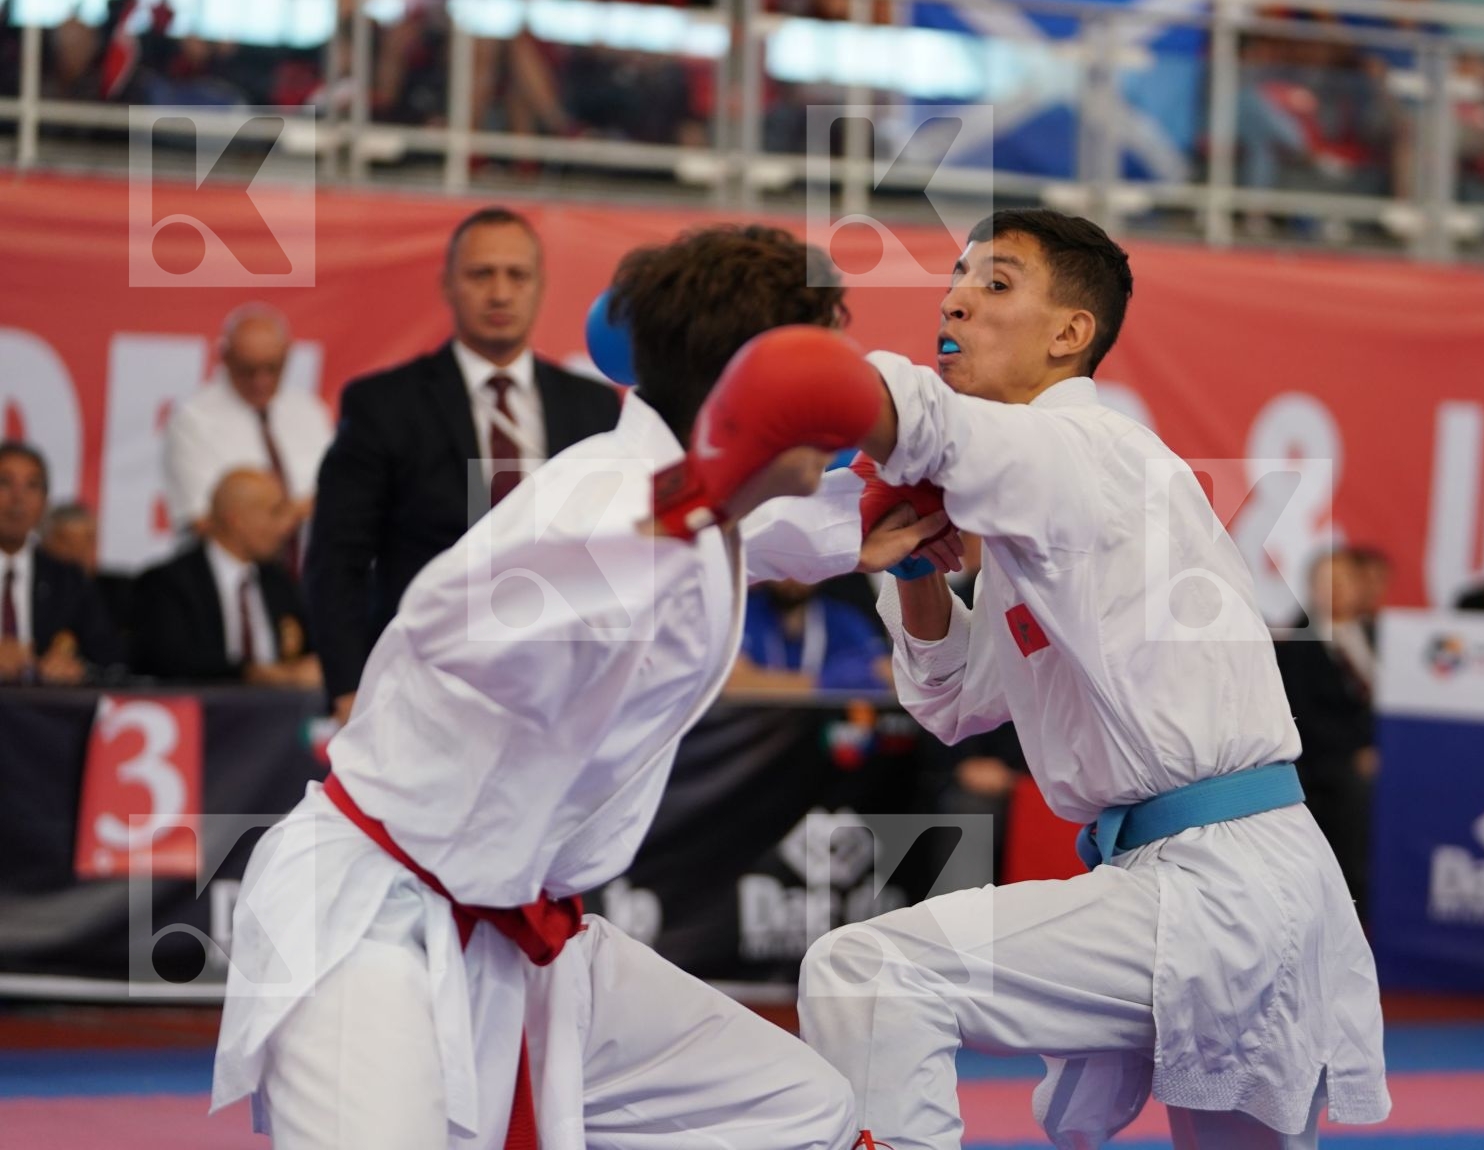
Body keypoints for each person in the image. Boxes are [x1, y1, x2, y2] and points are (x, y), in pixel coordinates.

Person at [212, 227, 950, 1150]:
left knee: (802, 1111)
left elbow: (733, 535)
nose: (844, 414)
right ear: (761, 395)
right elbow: (445, 614)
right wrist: (707, 486)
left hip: (526, 935)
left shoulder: (682, 510)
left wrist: (856, 529)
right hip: (373, 930)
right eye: (820, 374)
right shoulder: (609, 499)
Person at [798, 209, 1389, 1149]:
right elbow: (954, 700)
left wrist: (812, 377)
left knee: (872, 969)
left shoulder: (1088, 452)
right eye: (952, 279)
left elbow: (929, 425)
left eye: (994, 284)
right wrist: (914, 572)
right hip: (1196, 877)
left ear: (1070, 334)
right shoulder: (1040, 506)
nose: (952, 298)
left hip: (1225, 879)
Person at [305, 207, 624, 723]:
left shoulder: (593, 407)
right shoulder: (383, 404)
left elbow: (612, 555)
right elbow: (335, 559)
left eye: (516, 275)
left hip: (561, 694)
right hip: (422, 686)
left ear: (540, 286)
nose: (500, 293)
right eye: (481, 274)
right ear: (447, 285)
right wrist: (346, 687)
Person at [163, 304, 333, 550]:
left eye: (272, 368)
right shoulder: (193, 421)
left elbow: (336, 497)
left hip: (304, 576)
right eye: (248, 370)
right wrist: (299, 510)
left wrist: (265, 517)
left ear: (288, 355)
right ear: (225, 358)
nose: (261, 381)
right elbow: (203, 522)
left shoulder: (310, 411)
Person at [131, 469, 320, 688]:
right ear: (237, 520)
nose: (286, 526)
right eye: (275, 512)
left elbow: (305, 647)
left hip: (281, 717)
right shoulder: (167, 583)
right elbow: (169, 660)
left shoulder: (280, 583)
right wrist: (255, 675)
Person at [1276, 549, 1378, 910]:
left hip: (1383, 750)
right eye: (1326, 582)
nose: (1335, 590)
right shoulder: (1295, 644)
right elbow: (1303, 716)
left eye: (1343, 581)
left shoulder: (1381, 635)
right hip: (1327, 760)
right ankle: (1356, 897)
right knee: (1357, 785)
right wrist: (1357, 752)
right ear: (1311, 589)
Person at [0, 442, 121, 685]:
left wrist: (77, 668)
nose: (18, 498)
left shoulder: (68, 580)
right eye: (5, 483)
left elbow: (110, 659)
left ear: (44, 503)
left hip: (45, 717)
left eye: (32, 486)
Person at [730, 578, 895, 694]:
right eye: (782, 562)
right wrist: (824, 684)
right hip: (759, 732)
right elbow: (729, 682)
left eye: (802, 565)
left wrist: (764, 682)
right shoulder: (742, 614)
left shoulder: (841, 617)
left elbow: (888, 674)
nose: (792, 575)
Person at [39, 501, 134, 637]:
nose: (79, 552)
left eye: (89, 540)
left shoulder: (122, 594)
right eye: (68, 542)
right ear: (45, 545)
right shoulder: (29, 592)